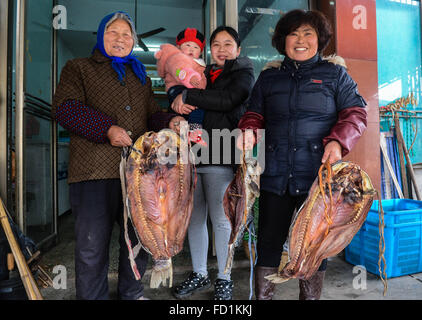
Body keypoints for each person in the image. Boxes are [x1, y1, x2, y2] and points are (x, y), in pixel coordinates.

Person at [237, 9, 368, 300]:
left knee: (314, 244)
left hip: (318, 178)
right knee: (269, 243)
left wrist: (337, 142)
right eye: (293, 33)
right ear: (283, 40)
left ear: (319, 40)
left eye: (307, 33)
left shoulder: (336, 75)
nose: (300, 39)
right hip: (275, 175)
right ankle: (263, 297)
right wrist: (248, 128)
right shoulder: (269, 78)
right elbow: (254, 112)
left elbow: (356, 114)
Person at [52, 11, 182, 300]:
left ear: (133, 40)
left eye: (126, 34)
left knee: (137, 240)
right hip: (93, 172)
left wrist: (168, 122)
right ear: (101, 36)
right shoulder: (79, 68)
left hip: (138, 176)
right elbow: (65, 107)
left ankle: (132, 293)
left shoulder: (141, 77)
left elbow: (152, 116)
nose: (121, 39)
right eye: (113, 32)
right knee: (91, 245)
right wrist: (106, 128)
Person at [170, 26, 255, 300]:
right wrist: (176, 104)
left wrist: (188, 96)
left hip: (222, 152)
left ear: (238, 49)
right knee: (194, 219)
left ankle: (224, 277)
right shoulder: (202, 74)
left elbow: (228, 100)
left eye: (228, 44)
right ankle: (199, 273)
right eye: (216, 44)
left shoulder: (242, 73)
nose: (221, 48)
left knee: (221, 220)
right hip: (194, 155)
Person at [155, 28, 207, 144]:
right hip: (177, 88)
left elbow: (203, 82)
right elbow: (178, 71)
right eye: (187, 45)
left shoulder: (200, 65)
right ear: (178, 48)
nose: (191, 49)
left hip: (190, 92)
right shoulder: (176, 58)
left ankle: (194, 132)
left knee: (196, 110)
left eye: (196, 47)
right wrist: (190, 77)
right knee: (189, 109)